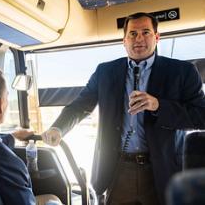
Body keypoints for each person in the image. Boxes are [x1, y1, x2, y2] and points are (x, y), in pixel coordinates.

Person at [42, 12, 205, 204]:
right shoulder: (105, 72)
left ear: (157, 37)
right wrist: (58, 127)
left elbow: (200, 116)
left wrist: (158, 105)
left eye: (146, 32)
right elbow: (80, 105)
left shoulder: (182, 72)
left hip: (161, 170)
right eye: (133, 34)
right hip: (118, 169)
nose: (139, 39)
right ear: (124, 40)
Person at [0, 65, 61, 205]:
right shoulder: (8, 162)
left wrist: (14, 136)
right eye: (7, 97)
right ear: (0, 105)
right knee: (53, 200)